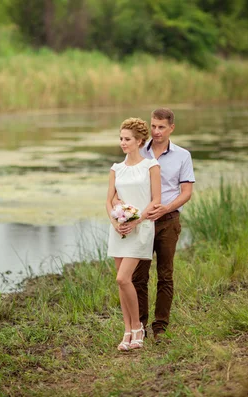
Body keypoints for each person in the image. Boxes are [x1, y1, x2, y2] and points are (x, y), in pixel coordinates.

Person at [117, 108, 195, 343]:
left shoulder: (182, 156)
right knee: (138, 276)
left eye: (162, 127)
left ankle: (160, 327)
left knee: (165, 275)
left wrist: (166, 208)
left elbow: (187, 192)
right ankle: (138, 325)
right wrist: (125, 213)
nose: (156, 131)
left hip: (167, 221)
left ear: (171, 128)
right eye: (153, 126)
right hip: (141, 223)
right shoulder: (139, 151)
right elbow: (124, 181)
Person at [107, 118, 161, 351]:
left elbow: (156, 201)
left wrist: (136, 220)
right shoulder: (116, 169)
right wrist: (116, 221)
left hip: (141, 229)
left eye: (127, 139)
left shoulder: (151, 166)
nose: (123, 143)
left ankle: (138, 327)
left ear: (139, 141)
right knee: (121, 283)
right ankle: (127, 330)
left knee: (123, 278)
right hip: (119, 230)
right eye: (121, 138)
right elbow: (108, 200)